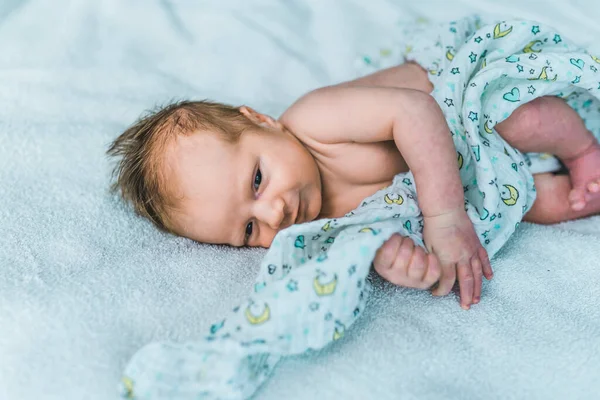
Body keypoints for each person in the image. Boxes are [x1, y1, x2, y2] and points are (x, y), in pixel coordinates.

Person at [107, 20, 600, 311]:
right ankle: (587, 191)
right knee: (539, 205)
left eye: (258, 180)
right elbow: (376, 235)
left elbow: (416, 112)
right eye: (248, 228)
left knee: (526, 119)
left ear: (262, 121)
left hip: (458, 106)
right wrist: (401, 263)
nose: (274, 213)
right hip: (463, 176)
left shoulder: (313, 120)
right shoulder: (312, 226)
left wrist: (445, 218)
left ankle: (581, 150)